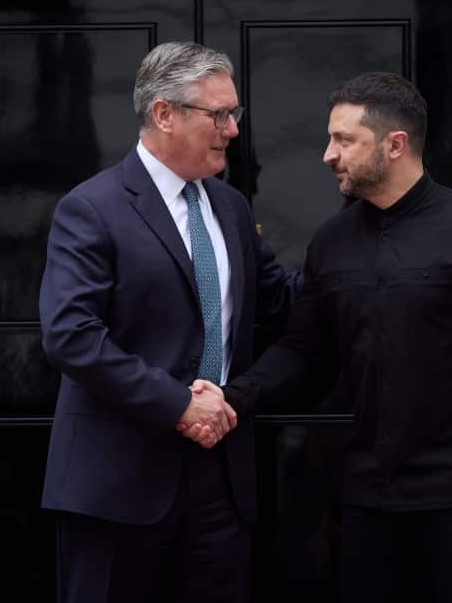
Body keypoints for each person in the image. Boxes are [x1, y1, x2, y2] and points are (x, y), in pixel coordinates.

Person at [182, 72, 452, 602]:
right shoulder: (332, 242)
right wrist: (229, 400)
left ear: (395, 145)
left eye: (344, 140)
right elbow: (303, 352)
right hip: (366, 496)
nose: (329, 155)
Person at [39, 41, 295, 603]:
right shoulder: (92, 208)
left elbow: (281, 305)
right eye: (219, 114)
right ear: (163, 113)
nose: (232, 129)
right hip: (117, 483)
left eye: (236, 114)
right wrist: (178, 403)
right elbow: (70, 336)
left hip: (221, 482)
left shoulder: (231, 207)